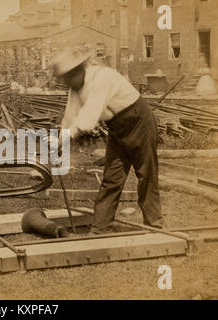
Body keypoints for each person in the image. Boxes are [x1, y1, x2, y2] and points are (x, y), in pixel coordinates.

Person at [52, 48, 165, 234]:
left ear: (78, 70)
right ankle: (100, 229)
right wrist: (61, 141)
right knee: (112, 177)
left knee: (146, 174)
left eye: (66, 77)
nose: (65, 83)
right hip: (117, 127)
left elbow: (89, 116)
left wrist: (66, 138)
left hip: (138, 120)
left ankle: (154, 225)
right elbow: (70, 115)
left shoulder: (101, 77)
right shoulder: (76, 87)